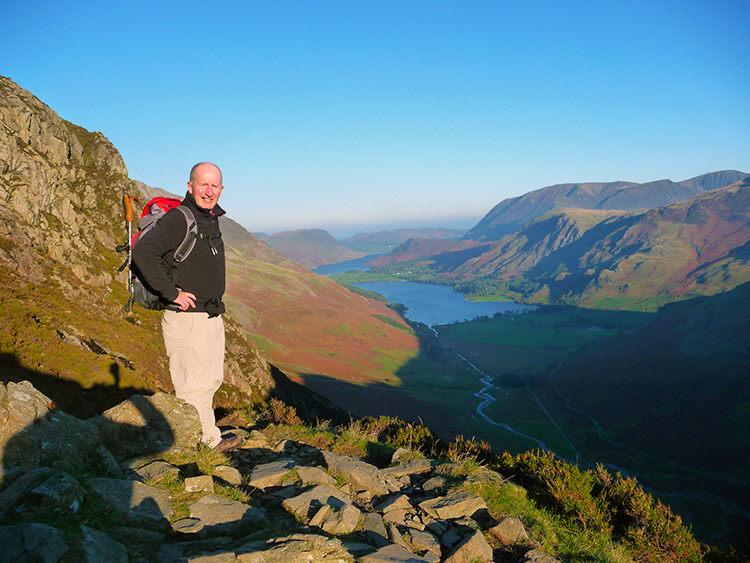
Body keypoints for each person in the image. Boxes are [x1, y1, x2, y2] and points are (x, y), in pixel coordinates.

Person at [132, 162, 241, 452]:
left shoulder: (208, 218)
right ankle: (201, 444)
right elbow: (144, 252)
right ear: (190, 186)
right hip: (187, 318)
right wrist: (172, 293)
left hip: (208, 315)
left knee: (209, 380)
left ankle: (208, 437)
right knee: (194, 384)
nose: (209, 191)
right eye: (202, 184)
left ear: (221, 189)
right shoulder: (181, 218)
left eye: (214, 185)